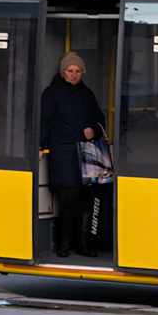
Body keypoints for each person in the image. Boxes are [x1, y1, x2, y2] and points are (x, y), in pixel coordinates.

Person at [40, 52, 106, 258]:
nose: (74, 75)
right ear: (63, 72)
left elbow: (100, 120)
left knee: (85, 202)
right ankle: (64, 245)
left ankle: (83, 244)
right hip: (63, 154)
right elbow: (44, 123)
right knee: (67, 202)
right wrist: (41, 147)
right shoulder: (52, 93)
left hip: (87, 156)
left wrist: (93, 130)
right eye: (70, 71)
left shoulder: (87, 94)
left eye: (78, 71)